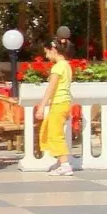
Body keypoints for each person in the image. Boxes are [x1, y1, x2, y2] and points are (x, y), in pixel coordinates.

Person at [34, 35, 75, 177]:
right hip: (63, 103)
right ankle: (61, 161)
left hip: (58, 103)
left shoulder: (58, 67)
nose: (46, 55)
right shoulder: (66, 66)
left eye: (46, 52)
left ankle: (64, 164)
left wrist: (41, 106)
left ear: (53, 50)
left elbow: (51, 88)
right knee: (52, 131)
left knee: (55, 133)